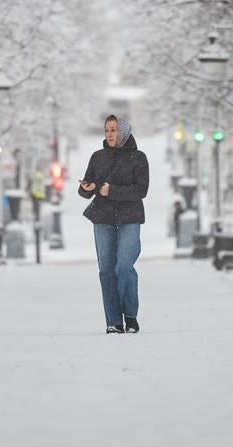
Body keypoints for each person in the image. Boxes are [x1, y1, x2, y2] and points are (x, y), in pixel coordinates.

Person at [79, 115, 150, 334]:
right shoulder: (97, 157)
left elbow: (141, 190)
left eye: (113, 130)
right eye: (107, 130)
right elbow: (83, 190)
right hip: (103, 218)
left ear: (124, 132)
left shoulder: (138, 157)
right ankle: (113, 321)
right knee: (107, 271)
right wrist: (87, 188)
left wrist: (114, 191)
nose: (109, 135)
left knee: (124, 267)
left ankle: (130, 315)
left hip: (130, 218)